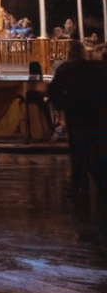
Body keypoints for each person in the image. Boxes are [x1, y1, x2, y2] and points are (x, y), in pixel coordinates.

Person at [47, 41, 103, 191]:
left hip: (74, 111)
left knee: (78, 145)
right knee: (95, 144)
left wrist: (62, 104)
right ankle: (99, 178)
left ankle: (80, 179)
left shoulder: (65, 68)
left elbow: (53, 90)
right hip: (94, 111)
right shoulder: (94, 68)